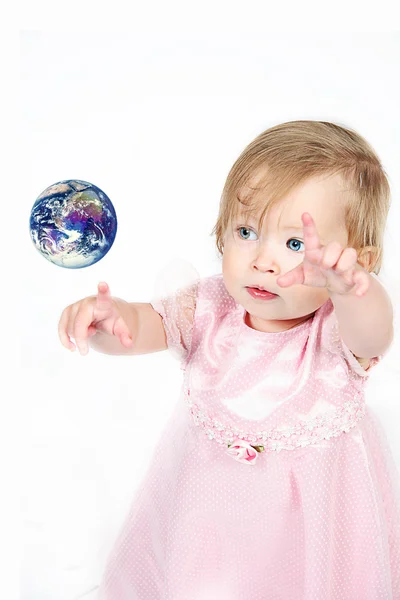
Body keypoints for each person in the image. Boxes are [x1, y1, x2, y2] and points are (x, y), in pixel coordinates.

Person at [58, 120, 400, 599]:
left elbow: (376, 332)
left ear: (357, 262)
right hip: (212, 520)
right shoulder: (209, 308)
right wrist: (108, 322)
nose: (263, 259)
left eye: (296, 244)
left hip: (309, 532)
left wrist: (352, 290)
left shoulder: (337, 331)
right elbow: (141, 327)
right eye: (246, 230)